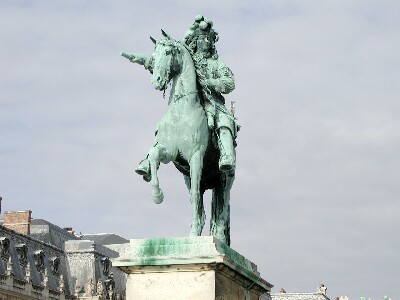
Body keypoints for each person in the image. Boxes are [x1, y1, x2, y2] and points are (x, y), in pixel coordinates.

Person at [127, 15, 237, 178]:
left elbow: (229, 82)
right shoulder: (186, 58)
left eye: (209, 39)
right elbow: (165, 62)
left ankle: (227, 155)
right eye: (202, 38)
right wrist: (143, 60)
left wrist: (211, 82)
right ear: (195, 40)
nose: (206, 42)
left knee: (224, 122)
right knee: (163, 125)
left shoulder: (217, 64)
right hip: (184, 104)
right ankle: (150, 160)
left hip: (211, 104)